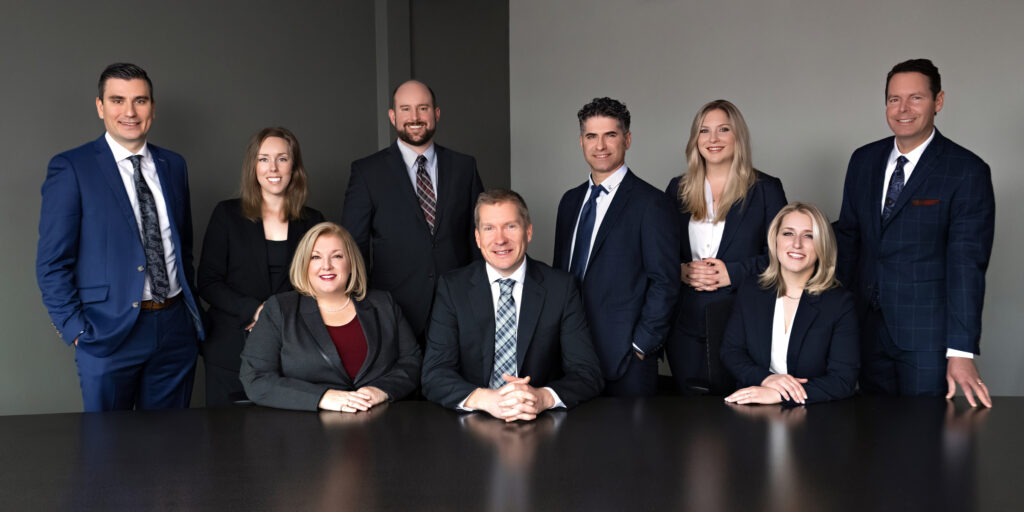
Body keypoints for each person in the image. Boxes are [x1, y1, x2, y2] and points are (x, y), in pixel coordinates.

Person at [36, 63, 204, 411]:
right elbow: (52, 262)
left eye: (140, 101)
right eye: (117, 100)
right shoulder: (72, 167)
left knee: (171, 451)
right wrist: (76, 331)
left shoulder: (174, 165)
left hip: (174, 329)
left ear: (153, 108)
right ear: (100, 107)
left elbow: (181, 245)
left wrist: (188, 317)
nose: (129, 112)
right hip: (107, 333)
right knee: (107, 454)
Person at [834, 59, 995, 407]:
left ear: (938, 101)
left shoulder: (966, 171)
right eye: (894, 99)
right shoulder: (863, 160)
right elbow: (848, 240)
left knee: (924, 444)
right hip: (864, 329)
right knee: (869, 440)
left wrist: (961, 351)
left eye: (915, 98)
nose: (903, 109)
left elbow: (967, 265)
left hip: (927, 339)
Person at [422, 190, 603, 421]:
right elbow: (434, 374)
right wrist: (486, 399)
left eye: (510, 226)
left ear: (528, 231)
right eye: (489, 228)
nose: (500, 239)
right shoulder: (452, 288)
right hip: (473, 422)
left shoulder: (561, 288)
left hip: (541, 423)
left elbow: (588, 373)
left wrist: (541, 398)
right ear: (477, 238)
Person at [553, 97, 679, 397]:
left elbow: (666, 281)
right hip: (570, 355)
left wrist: (641, 346)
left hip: (627, 359)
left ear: (627, 139)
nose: (601, 145)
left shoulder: (651, 203)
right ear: (581, 141)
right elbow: (560, 276)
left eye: (610, 135)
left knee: (626, 443)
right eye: (591, 136)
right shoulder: (570, 202)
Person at [342, 79, 484, 345]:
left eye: (423, 108)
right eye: (405, 109)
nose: (415, 117)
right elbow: (353, 246)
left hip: (459, 307)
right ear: (393, 116)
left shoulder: (464, 167)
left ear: (436, 113)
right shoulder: (367, 172)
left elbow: (479, 237)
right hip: (393, 311)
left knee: (456, 385)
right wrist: (362, 306)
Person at [664, 100, 787, 393]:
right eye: (704, 131)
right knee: (690, 418)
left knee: (739, 415)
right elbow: (659, 253)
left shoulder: (766, 189)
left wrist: (732, 272)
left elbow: (784, 257)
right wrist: (681, 270)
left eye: (723, 130)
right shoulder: (676, 189)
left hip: (741, 318)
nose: (713, 139)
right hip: (685, 322)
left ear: (738, 137)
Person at [197, 127, 325, 407]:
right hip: (229, 349)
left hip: (292, 350)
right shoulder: (227, 214)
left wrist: (277, 317)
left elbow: (319, 287)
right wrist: (257, 310)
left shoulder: (313, 221)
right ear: (252, 166)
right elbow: (208, 282)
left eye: (282, 158)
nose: (273, 168)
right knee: (227, 441)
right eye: (264, 159)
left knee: (285, 443)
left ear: (294, 165)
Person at [239, 222, 422, 411]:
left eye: (337, 256)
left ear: (351, 263)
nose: (326, 266)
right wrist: (322, 397)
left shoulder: (384, 303)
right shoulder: (278, 309)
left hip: (380, 425)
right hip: (306, 430)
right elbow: (255, 378)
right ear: (304, 264)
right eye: (315, 257)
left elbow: (411, 361)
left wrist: (382, 390)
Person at [721, 203, 859, 404]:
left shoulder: (839, 303)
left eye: (809, 236)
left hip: (813, 412)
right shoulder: (752, 289)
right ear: (775, 239)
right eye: (788, 233)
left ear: (823, 245)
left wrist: (779, 395)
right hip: (753, 407)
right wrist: (766, 379)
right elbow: (731, 352)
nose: (796, 244)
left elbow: (842, 380)